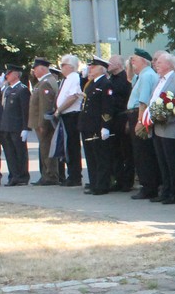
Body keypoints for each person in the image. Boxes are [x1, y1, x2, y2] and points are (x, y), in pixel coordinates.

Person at [149, 51, 175, 204]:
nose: (156, 65)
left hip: (170, 128)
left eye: (159, 62)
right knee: (163, 163)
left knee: (173, 163)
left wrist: (165, 117)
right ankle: (166, 190)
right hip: (158, 128)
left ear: (169, 65)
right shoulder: (159, 80)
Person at [125, 48, 160, 200]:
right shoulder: (141, 76)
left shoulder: (146, 76)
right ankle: (148, 185)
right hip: (135, 114)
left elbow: (143, 101)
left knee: (143, 154)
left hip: (140, 115)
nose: (132, 62)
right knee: (140, 153)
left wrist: (140, 122)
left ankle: (148, 187)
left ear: (144, 61)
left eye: (134, 60)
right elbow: (129, 77)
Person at [80, 56, 115, 195]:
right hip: (88, 124)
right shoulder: (91, 83)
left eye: (93, 66)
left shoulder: (106, 84)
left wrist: (105, 125)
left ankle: (102, 184)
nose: (90, 68)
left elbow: (108, 106)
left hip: (97, 125)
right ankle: (94, 183)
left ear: (101, 68)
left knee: (101, 156)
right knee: (91, 156)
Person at [28, 58, 62, 186]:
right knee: (44, 149)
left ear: (42, 68)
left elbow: (45, 106)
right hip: (41, 123)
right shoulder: (44, 82)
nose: (34, 72)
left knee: (46, 149)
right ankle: (46, 174)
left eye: (35, 70)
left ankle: (50, 175)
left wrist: (43, 124)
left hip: (44, 124)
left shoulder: (46, 83)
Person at [105, 54, 134, 191]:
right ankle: (119, 179)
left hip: (123, 118)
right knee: (114, 151)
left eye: (110, 63)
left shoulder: (126, 79)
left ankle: (127, 182)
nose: (108, 65)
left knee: (126, 152)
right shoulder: (111, 79)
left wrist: (128, 121)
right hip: (113, 119)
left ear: (119, 65)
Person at [55, 55, 84, 187]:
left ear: (70, 66)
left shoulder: (74, 78)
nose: (61, 68)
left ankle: (75, 176)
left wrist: (59, 109)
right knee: (68, 145)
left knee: (72, 146)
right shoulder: (67, 79)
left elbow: (73, 97)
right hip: (66, 115)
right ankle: (71, 174)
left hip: (71, 115)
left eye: (63, 65)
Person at [0, 64, 30, 186]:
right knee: (9, 152)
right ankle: (14, 175)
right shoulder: (8, 89)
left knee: (20, 152)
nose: (6, 75)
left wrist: (26, 128)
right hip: (7, 126)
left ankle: (22, 176)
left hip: (17, 127)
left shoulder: (22, 89)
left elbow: (25, 110)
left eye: (9, 73)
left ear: (16, 74)